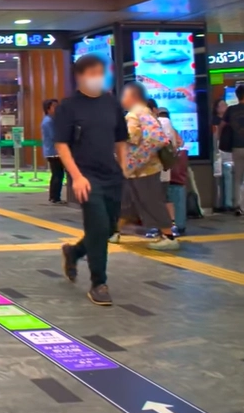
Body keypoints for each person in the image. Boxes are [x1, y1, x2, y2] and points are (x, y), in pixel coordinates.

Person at [58, 54, 129, 306]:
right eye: (94, 73)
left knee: (109, 228)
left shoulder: (111, 104)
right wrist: (76, 176)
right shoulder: (69, 107)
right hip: (86, 177)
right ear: (80, 76)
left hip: (112, 174)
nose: (99, 77)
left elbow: (120, 139)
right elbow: (61, 144)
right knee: (97, 227)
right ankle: (99, 283)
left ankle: (74, 251)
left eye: (102, 72)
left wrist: (123, 167)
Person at [111, 83, 178, 250]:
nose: (122, 99)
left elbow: (155, 138)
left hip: (144, 170)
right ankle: (114, 231)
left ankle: (169, 237)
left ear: (133, 97)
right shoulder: (140, 113)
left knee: (151, 202)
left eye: (125, 96)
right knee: (129, 201)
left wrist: (137, 160)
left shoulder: (138, 113)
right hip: (136, 170)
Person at [156, 107, 186, 235]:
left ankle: (161, 226)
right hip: (167, 169)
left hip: (157, 169)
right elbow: (179, 143)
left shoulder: (156, 126)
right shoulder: (172, 129)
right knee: (166, 197)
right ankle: (172, 224)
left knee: (158, 198)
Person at [221, 86, 244, 214]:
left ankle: (237, 205)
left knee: (238, 177)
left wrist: (219, 139)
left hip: (236, 146)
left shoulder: (231, 110)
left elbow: (222, 126)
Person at [43, 99, 63, 204]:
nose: (57, 108)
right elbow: (54, 136)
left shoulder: (52, 120)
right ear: (48, 108)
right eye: (54, 106)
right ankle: (55, 197)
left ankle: (54, 196)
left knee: (57, 174)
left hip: (53, 151)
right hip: (53, 152)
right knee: (57, 174)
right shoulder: (48, 121)